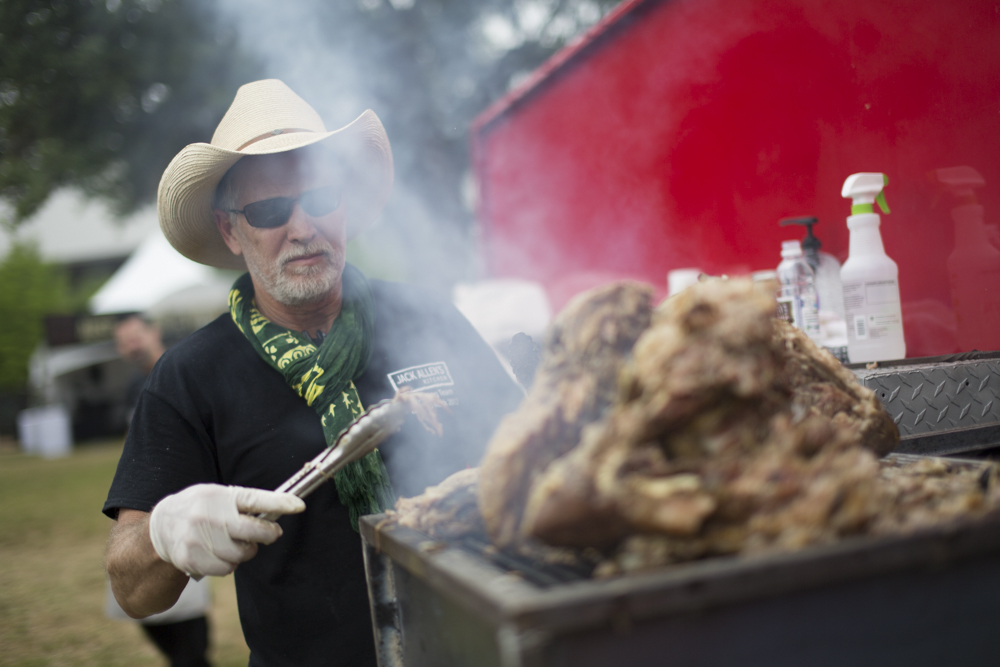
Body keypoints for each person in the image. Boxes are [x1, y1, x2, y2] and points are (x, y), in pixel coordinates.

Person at [103, 79, 523, 666]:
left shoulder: (429, 319)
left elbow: (527, 454)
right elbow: (130, 587)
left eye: (321, 198)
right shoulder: (191, 376)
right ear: (231, 231)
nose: (303, 227)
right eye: (271, 210)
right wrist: (165, 535)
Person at [105, 314, 214, 667]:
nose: (132, 345)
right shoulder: (132, 387)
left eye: (136, 335)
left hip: (185, 507)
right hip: (143, 509)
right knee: (145, 609)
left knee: (185, 620)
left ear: (153, 331)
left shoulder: (185, 372)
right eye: (124, 341)